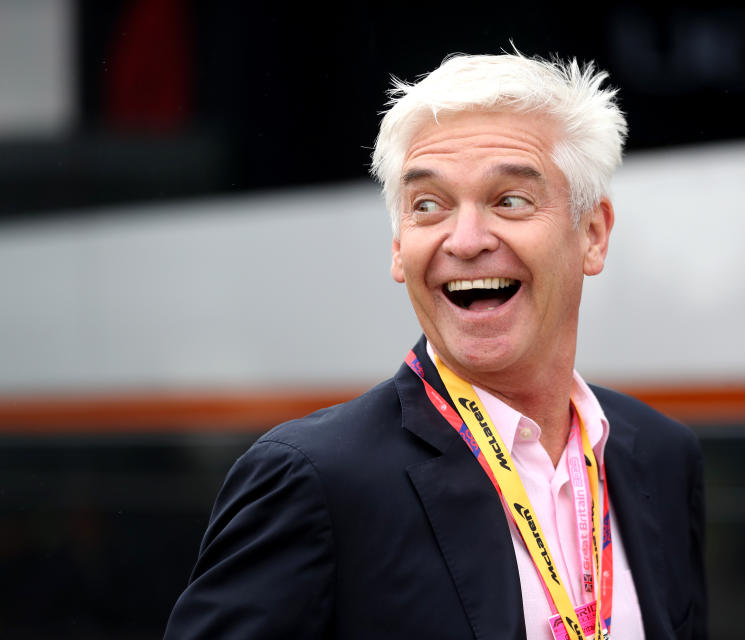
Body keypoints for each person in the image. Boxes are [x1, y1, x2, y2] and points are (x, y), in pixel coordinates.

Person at [164, 51, 707, 640]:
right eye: (429, 207)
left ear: (593, 235)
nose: (466, 240)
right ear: (400, 246)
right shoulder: (314, 480)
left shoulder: (660, 455)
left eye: (510, 200)